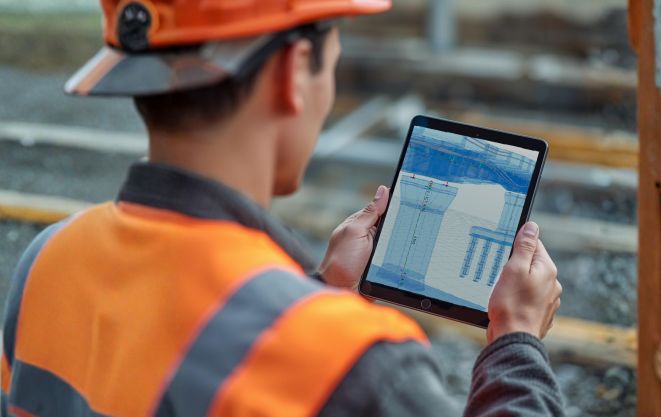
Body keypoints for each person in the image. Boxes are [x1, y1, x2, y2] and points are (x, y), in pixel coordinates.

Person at [1, 1, 564, 416]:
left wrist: (321, 290)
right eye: (332, 63)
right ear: (295, 72)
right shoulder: (359, 362)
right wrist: (515, 341)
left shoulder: (47, 259)